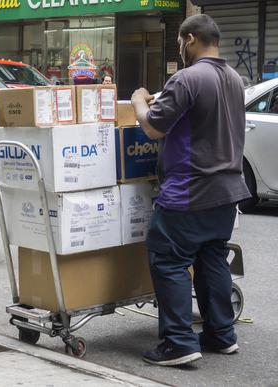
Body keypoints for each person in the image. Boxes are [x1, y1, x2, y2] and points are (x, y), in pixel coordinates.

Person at [131, 14, 250, 366]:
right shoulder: (234, 78)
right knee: (212, 257)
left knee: (168, 259)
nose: (180, 48)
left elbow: (153, 128)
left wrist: (139, 99)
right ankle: (220, 334)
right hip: (227, 190)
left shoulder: (187, 78)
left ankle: (178, 343)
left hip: (189, 190)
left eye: (181, 42)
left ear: (191, 39)